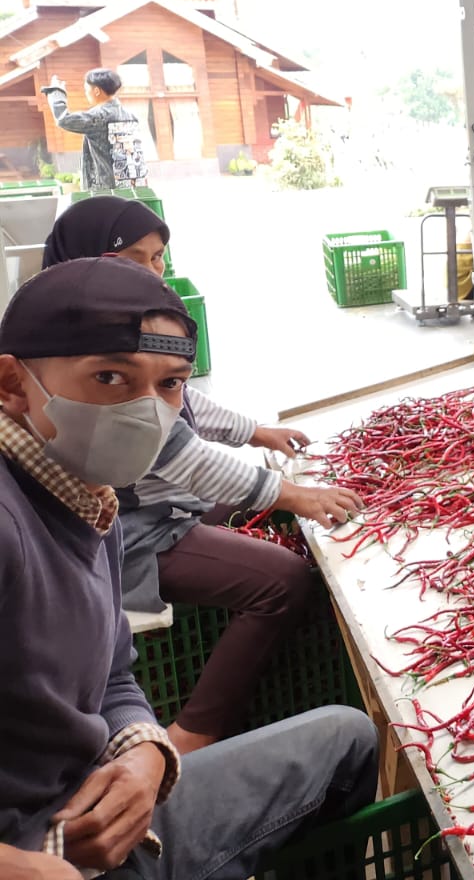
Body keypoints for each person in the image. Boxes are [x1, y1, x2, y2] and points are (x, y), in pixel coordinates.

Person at [0, 257, 378, 880]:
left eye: (170, 384)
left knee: (348, 736)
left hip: (103, 817)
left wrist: (146, 753)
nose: (147, 412)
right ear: (13, 385)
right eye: (110, 377)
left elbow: (114, 677)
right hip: (45, 856)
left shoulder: (89, 496)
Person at [41, 196, 365, 756]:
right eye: (130, 258)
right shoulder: (83, 355)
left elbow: (185, 403)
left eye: (157, 258)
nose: (149, 273)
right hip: (127, 529)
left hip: (159, 505)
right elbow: (180, 454)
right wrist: (293, 494)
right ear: (82, 261)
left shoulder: (118, 326)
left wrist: (257, 433)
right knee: (283, 579)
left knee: (255, 509)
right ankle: (193, 732)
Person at [39, 69, 146, 191]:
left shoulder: (99, 115)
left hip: (106, 189)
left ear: (96, 91)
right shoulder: (130, 115)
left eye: (86, 89)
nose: (86, 93)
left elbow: (64, 120)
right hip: (132, 184)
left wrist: (56, 93)